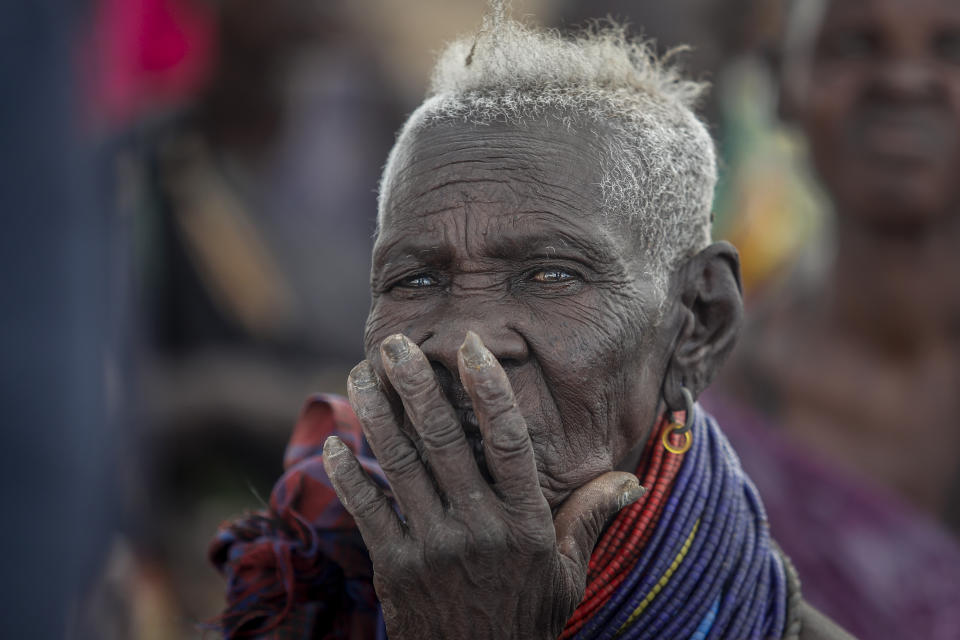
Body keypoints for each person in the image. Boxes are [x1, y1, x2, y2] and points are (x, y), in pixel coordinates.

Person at [208, 8, 852, 639]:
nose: (470, 344)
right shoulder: (306, 584)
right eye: (417, 280)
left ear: (698, 323)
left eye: (550, 275)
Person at [706, 0, 960, 637]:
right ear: (778, 83)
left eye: (952, 48)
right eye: (853, 46)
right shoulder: (713, 412)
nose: (905, 80)